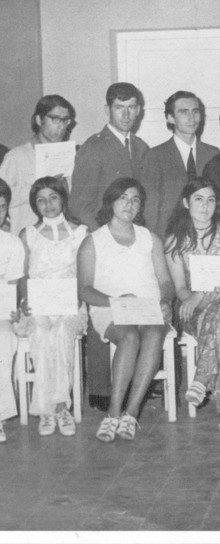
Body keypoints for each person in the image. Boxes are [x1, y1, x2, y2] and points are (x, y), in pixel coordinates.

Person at [77, 177, 175, 442]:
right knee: (129, 337)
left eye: (135, 200)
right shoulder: (93, 241)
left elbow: (166, 282)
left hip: (147, 307)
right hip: (109, 306)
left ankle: (130, 415)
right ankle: (112, 414)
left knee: (154, 334)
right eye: (123, 198)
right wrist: (116, 301)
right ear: (111, 201)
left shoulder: (150, 238)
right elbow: (84, 289)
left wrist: (165, 302)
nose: (129, 204)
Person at [70, 82, 149, 412]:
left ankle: (132, 380)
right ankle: (102, 388)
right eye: (120, 107)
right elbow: (77, 202)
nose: (127, 113)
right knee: (103, 308)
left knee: (134, 304)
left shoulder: (141, 147)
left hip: (133, 240)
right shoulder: (94, 146)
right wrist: (106, 233)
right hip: (103, 240)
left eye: (132, 107)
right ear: (107, 110)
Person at [164, 177, 220, 436]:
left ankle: (202, 378)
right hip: (195, 311)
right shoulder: (174, 239)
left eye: (211, 199)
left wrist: (200, 295)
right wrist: (195, 299)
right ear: (185, 203)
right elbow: (181, 289)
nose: (205, 206)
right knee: (216, 321)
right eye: (198, 199)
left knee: (218, 312)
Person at [14, 177, 88, 437]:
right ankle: (47, 410)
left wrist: (77, 298)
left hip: (70, 304)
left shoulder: (81, 232)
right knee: (41, 334)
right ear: (35, 205)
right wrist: (24, 302)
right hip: (39, 305)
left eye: (53, 197)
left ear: (63, 199)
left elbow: (86, 273)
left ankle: (60, 406)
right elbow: (23, 275)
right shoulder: (28, 234)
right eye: (41, 200)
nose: (48, 204)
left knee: (61, 334)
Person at [143, 91, 220, 238]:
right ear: (170, 118)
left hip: (208, 237)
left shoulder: (213, 154)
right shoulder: (155, 156)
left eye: (195, 112)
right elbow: (150, 210)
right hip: (169, 237)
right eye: (184, 112)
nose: (191, 118)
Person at [0, 95, 76, 235]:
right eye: (55, 119)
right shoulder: (17, 157)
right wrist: (37, 187)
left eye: (66, 121)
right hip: (27, 237)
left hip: (62, 237)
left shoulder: (68, 156)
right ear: (39, 120)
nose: (61, 126)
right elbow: (3, 198)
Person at [0, 179, 25, 442]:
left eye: (1, 207)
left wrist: (13, 309)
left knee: (3, 339)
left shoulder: (12, 244)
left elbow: (11, 289)